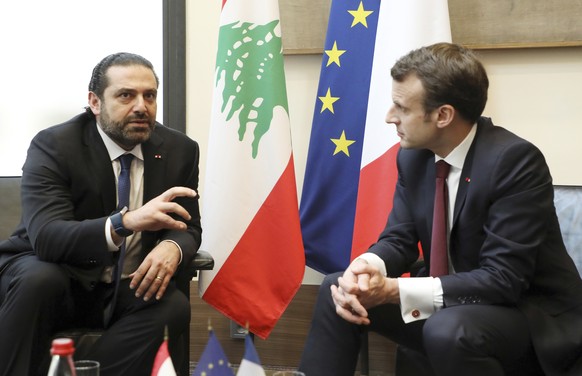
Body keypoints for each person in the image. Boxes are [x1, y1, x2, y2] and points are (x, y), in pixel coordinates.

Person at [298, 42, 582, 376]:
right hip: (455, 306)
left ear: (443, 115)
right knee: (339, 291)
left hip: (528, 316)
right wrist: (367, 266)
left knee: (447, 328)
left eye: (401, 108)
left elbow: (503, 279)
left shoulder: (514, 161)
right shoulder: (414, 156)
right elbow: (399, 239)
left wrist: (394, 290)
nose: (390, 117)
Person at [0, 52, 202, 375]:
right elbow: (48, 237)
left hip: (124, 284)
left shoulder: (180, 150)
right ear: (95, 102)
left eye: (149, 96)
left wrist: (173, 248)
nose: (141, 106)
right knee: (40, 279)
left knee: (173, 305)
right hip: (58, 276)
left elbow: (188, 225)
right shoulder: (55, 145)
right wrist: (126, 222)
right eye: (126, 95)